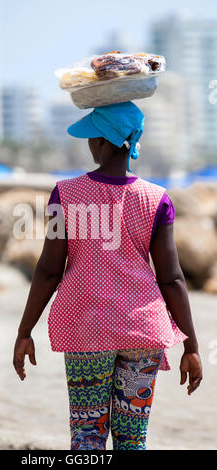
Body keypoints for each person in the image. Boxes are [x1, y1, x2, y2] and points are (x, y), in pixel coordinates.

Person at [13, 102, 202, 450]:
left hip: (87, 329)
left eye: (90, 137)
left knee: (88, 437)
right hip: (143, 334)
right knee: (132, 439)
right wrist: (191, 344)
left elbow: (49, 269)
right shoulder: (157, 199)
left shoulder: (65, 194)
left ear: (101, 142)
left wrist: (25, 331)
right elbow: (172, 278)